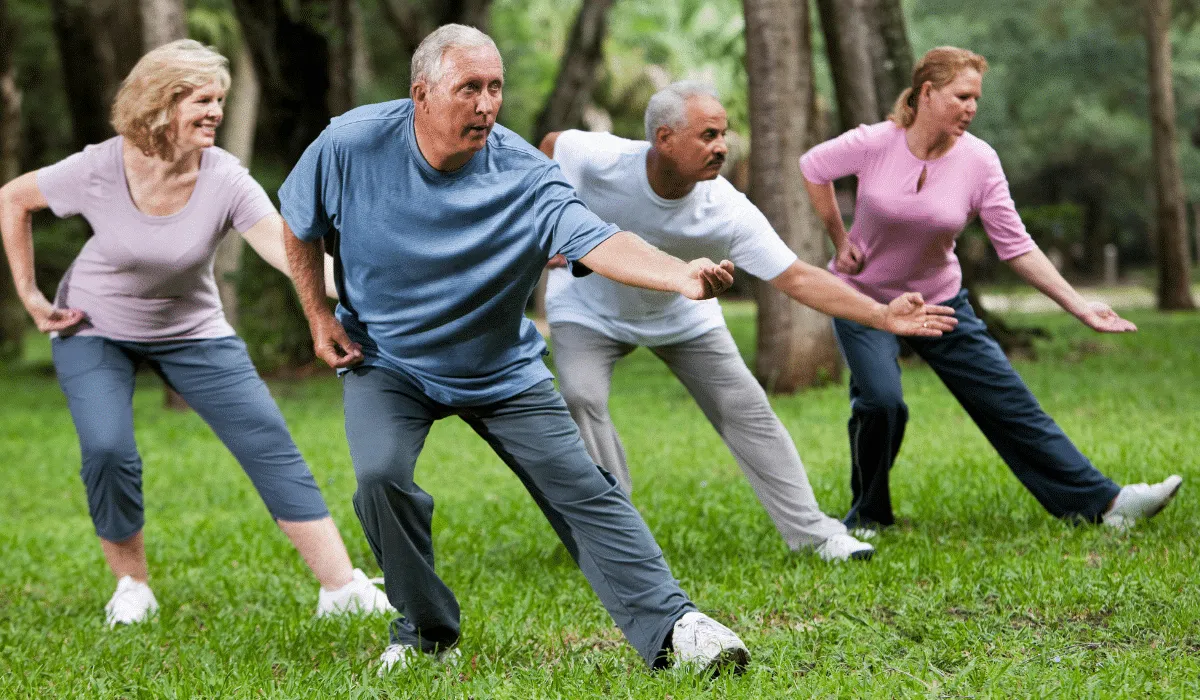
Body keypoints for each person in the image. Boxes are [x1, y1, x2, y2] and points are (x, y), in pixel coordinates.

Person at [279, 24, 751, 675]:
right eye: (468, 87)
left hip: (499, 368)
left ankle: (676, 626)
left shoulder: (525, 172)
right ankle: (423, 631)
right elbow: (297, 222)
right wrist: (315, 315)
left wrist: (680, 274)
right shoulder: (351, 144)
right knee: (379, 477)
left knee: (585, 488)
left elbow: (597, 238)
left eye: (495, 87)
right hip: (386, 358)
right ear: (421, 93)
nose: (486, 103)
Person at [0, 40, 392, 627]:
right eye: (202, 100)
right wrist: (29, 293)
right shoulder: (100, 166)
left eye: (220, 100)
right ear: (161, 103)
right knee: (108, 449)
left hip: (191, 328)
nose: (215, 111)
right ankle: (132, 585)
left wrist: (381, 286)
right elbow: (14, 197)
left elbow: (290, 254)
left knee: (268, 440)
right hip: (94, 325)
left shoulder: (225, 179)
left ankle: (341, 587)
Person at [538, 81, 959, 563]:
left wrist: (882, 313)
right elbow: (552, 144)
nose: (721, 147)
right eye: (708, 135)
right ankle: (614, 537)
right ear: (664, 138)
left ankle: (816, 534)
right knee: (581, 396)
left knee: (749, 411)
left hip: (682, 314)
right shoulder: (603, 158)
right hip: (588, 308)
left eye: (724, 134)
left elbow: (798, 278)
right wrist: (552, 220)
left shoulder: (726, 209)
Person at [799, 46, 1183, 534]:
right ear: (927, 92)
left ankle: (1107, 505)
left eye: (976, 98)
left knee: (1009, 403)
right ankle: (869, 514)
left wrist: (1080, 306)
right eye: (962, 96)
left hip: (941, 301)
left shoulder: (979, 161)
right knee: (880, 402)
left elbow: (1016, 246)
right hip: (865, 300)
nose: (971, 108)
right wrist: (840, 236)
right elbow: (813, 167)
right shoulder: (876, 142)